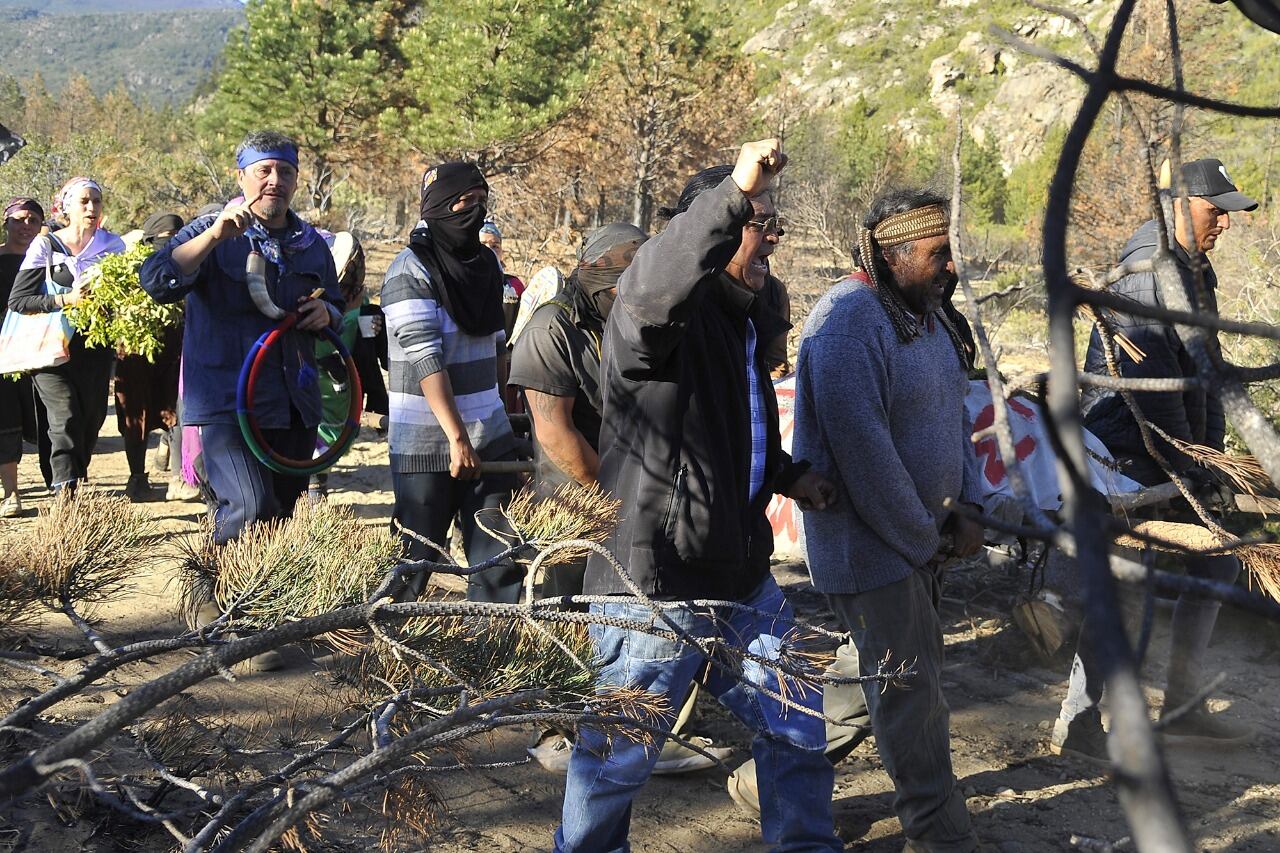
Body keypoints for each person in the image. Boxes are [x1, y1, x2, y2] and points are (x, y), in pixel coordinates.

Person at [555, 140, 842, 853]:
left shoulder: (740, 321)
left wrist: (786, 475)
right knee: (615, 762)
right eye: (758, 217)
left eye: (774, 218)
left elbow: (729, 430)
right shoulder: (654, 319)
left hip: (741, 579)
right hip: (652, 587)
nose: (772, 231)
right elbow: (657, 278)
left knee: (797, 716)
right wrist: (733, 191)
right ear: (709, 230)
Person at [792, 188, 985, 853]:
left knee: (862, 683)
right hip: (869, 546)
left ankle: (769, 783)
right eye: (937, 253)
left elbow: (953, 419)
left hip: (917, 540)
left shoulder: (925, 315)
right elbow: (865, 457)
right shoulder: (848, 321)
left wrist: (969, 506)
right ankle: (940, 834)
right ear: (893, 253)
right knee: (911, 691)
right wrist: (925, 539)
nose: (950, 266)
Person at [1050, 158, 1258, 757]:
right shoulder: (1149, 271)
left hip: (1171, 450)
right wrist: (1191, 466)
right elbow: (1155, 387)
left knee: (1215, 564)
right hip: (1128, 451)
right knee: (1130, 585)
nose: (1224, 221)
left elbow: (1208, 370)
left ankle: (1184, 707)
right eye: (1215, 208)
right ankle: (1080, 722)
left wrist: (1213, 458)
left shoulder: (1194, 269)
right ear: (1178, 206)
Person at [509, 222, 732, 775]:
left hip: (639, 484)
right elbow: (554, 432)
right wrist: (612, 500)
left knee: (646, 613)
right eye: (618, 292)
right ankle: (559, 732)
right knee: (569, 614)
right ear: (597, 282)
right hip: (572, 492)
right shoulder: (549, 328)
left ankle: (653, 725)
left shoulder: (653, 318)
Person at [140, 131, 343, 548]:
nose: (275, 180)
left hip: (294, 404)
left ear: (296, 179)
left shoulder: (312, 246)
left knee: (279, 520)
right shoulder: (210, 232)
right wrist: (214, 237)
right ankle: (209, 588)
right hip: (227, 403)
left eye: (285, 171)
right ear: (241, 177)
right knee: (248, 508)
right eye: (263, 170)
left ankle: (257, 604)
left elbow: (337, 305)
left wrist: (328, 313)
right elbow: (158, 280)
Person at [382, 162, 522, 603]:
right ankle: (385, 655)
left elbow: (497, 347)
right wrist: (457, 438)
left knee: (499, 564)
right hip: (427, 446)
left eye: (481, 201)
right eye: (464, 202)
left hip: (490, 439)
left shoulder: (485, 268)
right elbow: (427, 360)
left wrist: (501, 415)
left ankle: (492, 663)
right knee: (415, 561)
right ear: (438, 206)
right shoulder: (409, 271)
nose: (474, 212)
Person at [8, 178, 126, 494]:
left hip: (95, 346)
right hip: (50, 346)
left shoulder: (113, 247)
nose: (91, 207)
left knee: (91, 419)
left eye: (96, 201)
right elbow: (19, 300)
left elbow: (125, 296)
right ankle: (65, 493)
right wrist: (65, 300)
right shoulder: (46, 246)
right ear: (66, 208)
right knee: (65, 416)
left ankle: (67, 475)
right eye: (84, 201)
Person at [114, 211, 185, 501]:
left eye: (175, 239)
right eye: (163, 240)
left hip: (175, 351)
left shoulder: (189, 266)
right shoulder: (129, 271)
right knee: (135, 414)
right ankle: (137, 477)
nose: (168, 246)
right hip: (135, 354)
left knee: (179, 411)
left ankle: (181, 477)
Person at [0, 197, 45, 516]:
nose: (25, 226)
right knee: (6, 419)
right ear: (6, 223)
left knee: (46, 420)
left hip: (42, 348)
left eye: (32, 219)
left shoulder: (48, 260)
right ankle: (11, 493)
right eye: (18, 219)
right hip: (3, 352)